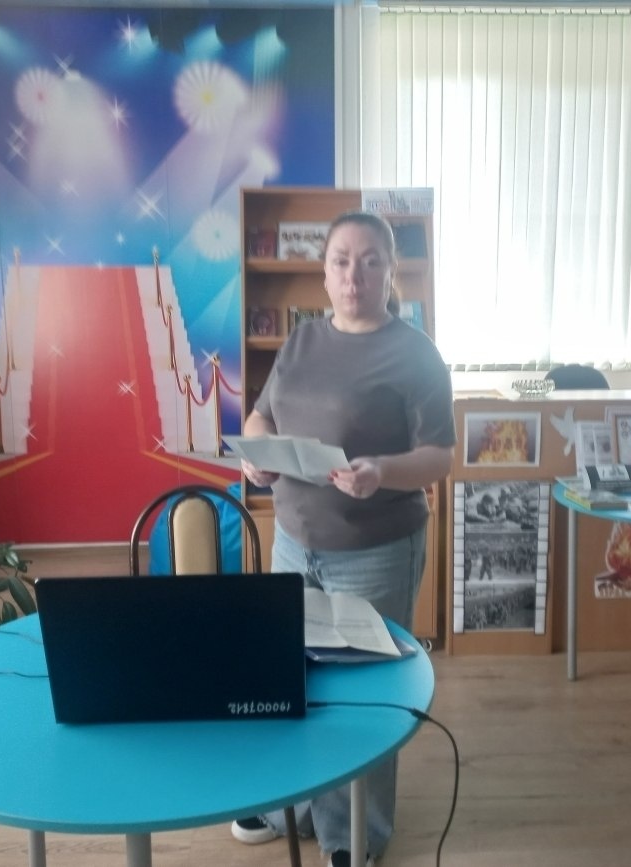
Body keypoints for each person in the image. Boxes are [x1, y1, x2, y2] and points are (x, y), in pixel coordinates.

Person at [231, 210, 455, 867]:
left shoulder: (416, 354)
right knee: (293, 675)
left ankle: (353, 832)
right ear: (324, 273)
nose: (354, 275)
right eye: (340, 261)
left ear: (390, 272)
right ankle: (291, 804)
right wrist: (257, 457)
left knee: (362, 693)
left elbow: (439, 456)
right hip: (294, 540)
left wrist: (381, 471)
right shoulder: (302, 340)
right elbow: (262, 415)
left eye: (369, 261)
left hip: (375, 550)